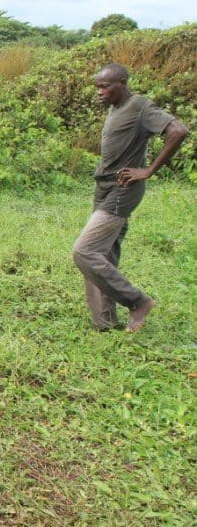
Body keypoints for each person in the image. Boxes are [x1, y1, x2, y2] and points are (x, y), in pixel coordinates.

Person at [72, 63, 189, 333]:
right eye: (97, 87)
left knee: (85, 251)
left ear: (122, 83)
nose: (99, 92)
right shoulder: (115, 108)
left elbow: (178, 131)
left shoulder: (140, 107)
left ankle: (138, 301)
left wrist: (148, 170)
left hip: (122, 189)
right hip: (104, 187)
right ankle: (105, 322)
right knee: (103, 253)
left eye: (104, 86)